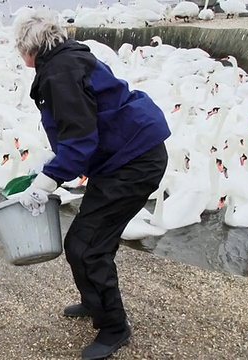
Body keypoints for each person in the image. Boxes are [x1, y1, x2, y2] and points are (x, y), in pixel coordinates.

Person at [15, 9, 170, 360]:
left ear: (29, 48)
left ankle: (114, 326)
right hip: (126, 154)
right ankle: (94, 301)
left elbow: (80, 136)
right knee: (92, 239)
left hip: (134, 162)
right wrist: (64, 164)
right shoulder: (67, 59)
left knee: (86, 245)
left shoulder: (60, 72)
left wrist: (46, 181)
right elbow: (91, 120)